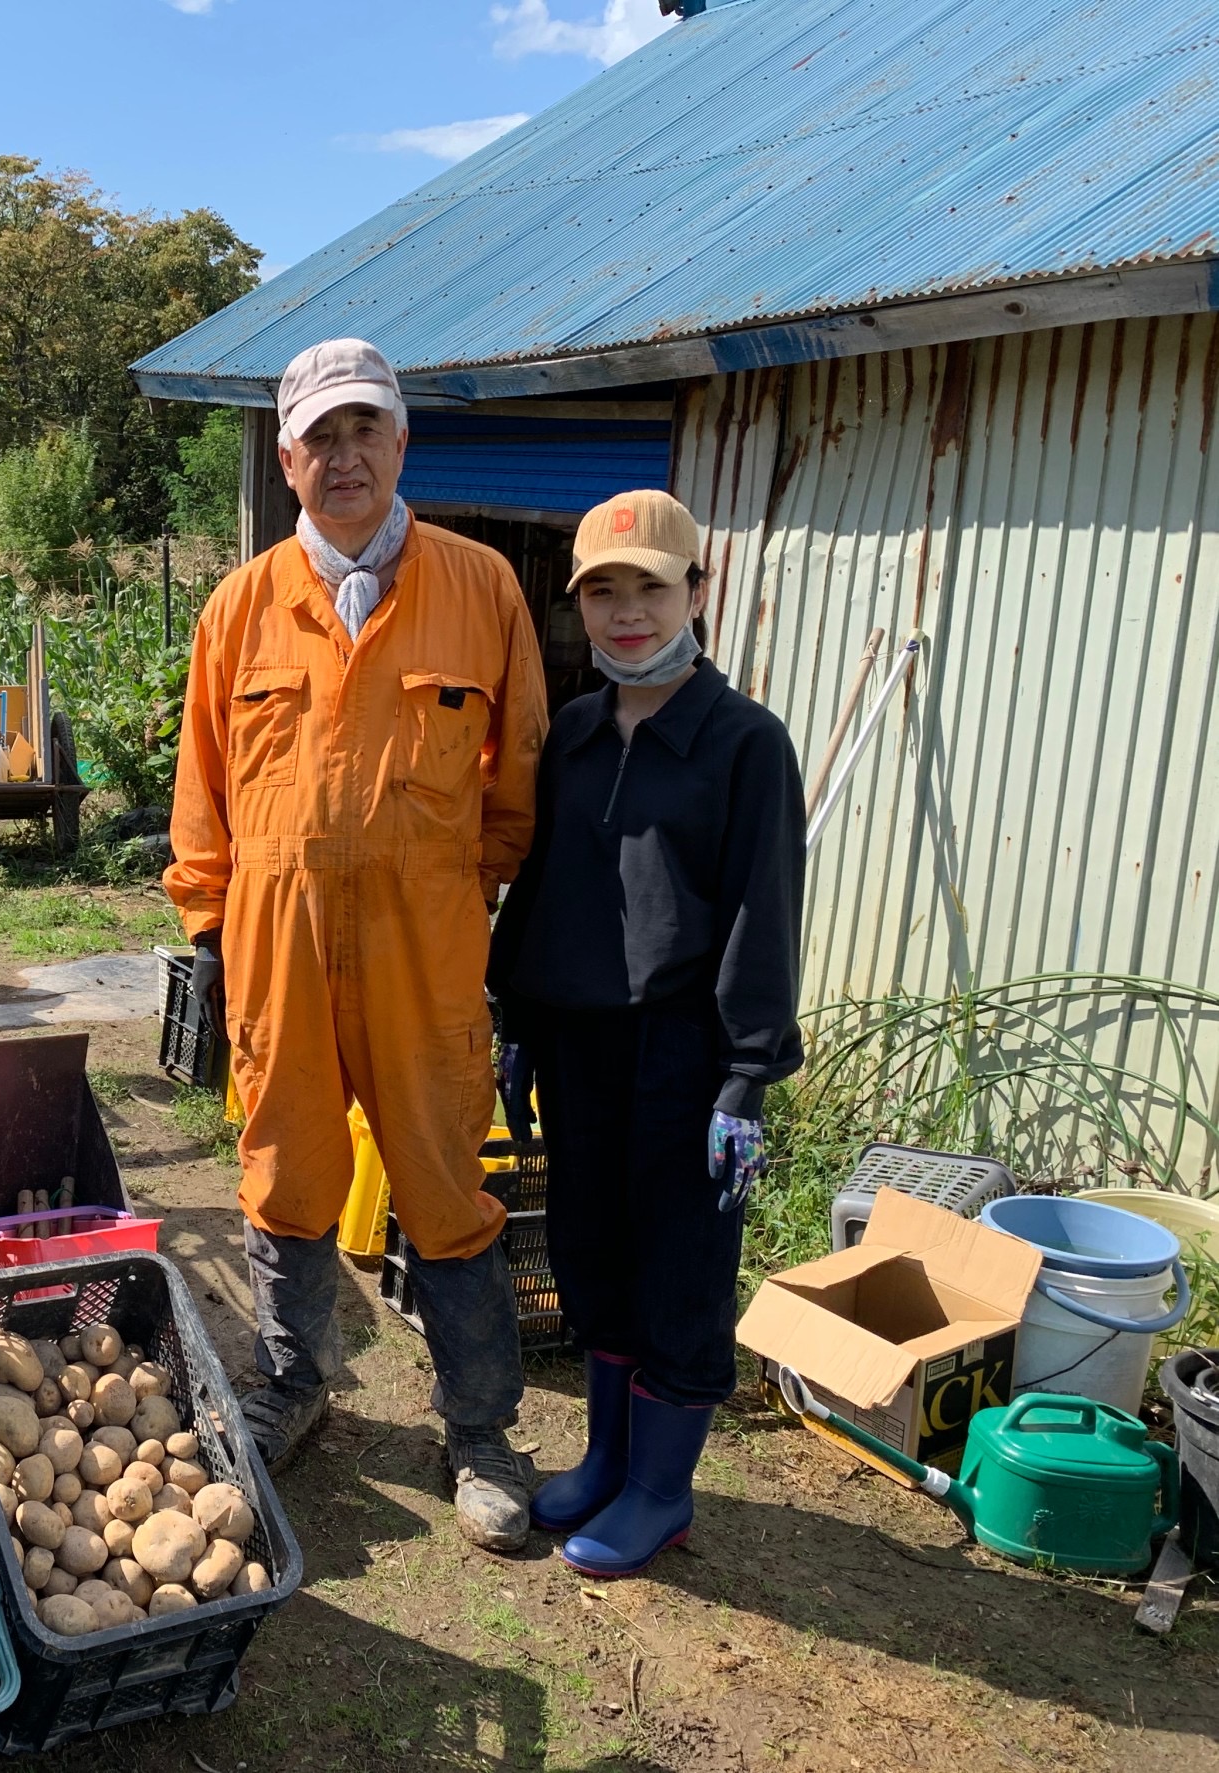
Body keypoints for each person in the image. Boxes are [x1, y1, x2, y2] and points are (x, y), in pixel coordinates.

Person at [166, 338, 548, 1551]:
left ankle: (481, 1429)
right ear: (287, 458)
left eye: (363, 431)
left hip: (423, 943)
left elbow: (519, 771)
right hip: (277, 937)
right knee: (284, 1167)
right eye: (319, 438)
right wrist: (214, 928)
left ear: (400, 442)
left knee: (443, 1177)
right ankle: (296, 1383)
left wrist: (458, 892)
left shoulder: (480, 586)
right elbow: (202, 791)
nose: (344, 457)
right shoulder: (241, 606)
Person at [488, 488, 804, 1578]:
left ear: (697, 593)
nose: (627, 613)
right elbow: (538, 889)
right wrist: (516, 1019)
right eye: (604, 592)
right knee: (592, 1252)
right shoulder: (574, 731)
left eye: (650, 588)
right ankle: (609, 1458)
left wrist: (747, 1079)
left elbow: (766, 910)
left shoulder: (743, 741)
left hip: (687, 1054)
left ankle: (663, 1491)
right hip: (578, 1048)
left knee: (679, 1267)